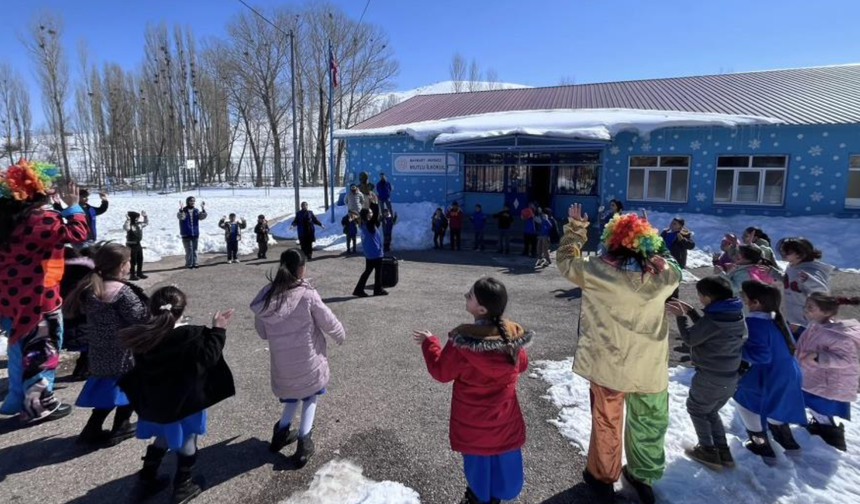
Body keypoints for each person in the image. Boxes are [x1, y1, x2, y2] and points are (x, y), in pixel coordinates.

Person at [556, 205, 681, 504]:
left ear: (611, 239)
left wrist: (576, 228)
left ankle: (602, 476)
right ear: (646, 241)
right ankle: (642, 476)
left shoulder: (597, 270)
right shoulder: (663, 275)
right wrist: (655, 238)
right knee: (649, 422)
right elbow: (674, 263)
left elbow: (565, 260)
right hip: (649, 367)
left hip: (607, 366)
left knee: (607, 422)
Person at [413, 277, 532, 504]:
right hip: (505, 420)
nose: (465, 297)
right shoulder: (512, 335)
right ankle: (498, 495)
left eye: (469, 296)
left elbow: (441, 372)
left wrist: (430, 343)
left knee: (478, 466)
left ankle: (478, 497)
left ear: (481, 309)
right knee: (504, 463)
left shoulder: (463, 340)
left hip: (472, 422)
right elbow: (522, 364)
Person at [119, 286, 235, 503]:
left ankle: (145, 480)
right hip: (183, 404)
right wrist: (218, 329)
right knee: (187, 440)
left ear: (151, 309)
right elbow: (209, 356)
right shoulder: (191, 334)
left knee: (163, 436)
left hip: (156, 404)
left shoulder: (144, 337)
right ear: (182, 309)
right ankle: (182, 485)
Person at [0, 160, 89, 422]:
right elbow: (78, 232)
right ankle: (38, 405)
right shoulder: (41, 219)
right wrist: (73, 205)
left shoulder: (5, 221)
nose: (51, 191)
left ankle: (16, 398)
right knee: (42, 349)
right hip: (39, 299)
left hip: (9, 298)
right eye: (46, 187)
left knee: (18, 346)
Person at [250, 250, 346, 467]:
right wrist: (340, 334)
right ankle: (304, 442)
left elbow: (263, 332)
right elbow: (328, 320)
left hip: (283, 363)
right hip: (307, 359)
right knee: (311, 396)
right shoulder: (307, 295)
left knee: (292, 396)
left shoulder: (267, 295)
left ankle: (281, 434)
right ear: (301, 269)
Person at [64, 243, 150, 447]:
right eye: (128, 261)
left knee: (110, 390)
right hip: (123, 352)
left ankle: (92, 428)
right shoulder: (122, 291)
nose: (130, 265)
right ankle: (121, 426)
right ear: (121, 266)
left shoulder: (90, 287)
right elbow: (139, 317)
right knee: (130, 388)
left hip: (100, 350)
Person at [668, 276, 746, 470]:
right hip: (730, 376)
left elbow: (690, 339)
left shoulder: (713, 320)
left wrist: (680, 316)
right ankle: (723, 451)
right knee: (710, 411)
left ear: (709, 297)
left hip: (709, 377)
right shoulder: (734, 313)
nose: (699, 299)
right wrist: (693, 312)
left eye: (700, 296)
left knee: (696, 409)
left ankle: (707, 450)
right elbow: (710, 329)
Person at [733, 281, 807, 465]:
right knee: (776, 407)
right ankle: (788, 444)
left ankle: (761, 446)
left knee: (744, 402)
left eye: (746, 299)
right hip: (788, 373)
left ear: (756, 303)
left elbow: (761, 356)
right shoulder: (777, 320)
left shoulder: (753, 322)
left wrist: (736, 348)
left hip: (769, 375)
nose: (744, 302)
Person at [795, 292, 860, 451]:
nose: (806, 310)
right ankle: (821, 426)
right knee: (812, 404)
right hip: (814, 376)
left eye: (811, 307)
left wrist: (819, 357)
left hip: (826, 382)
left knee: (820, 406)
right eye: (806, 306)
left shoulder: (836, 335)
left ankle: (833, 438)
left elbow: (848, 360)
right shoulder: (815, 325)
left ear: (826, 312)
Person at [778, 237, 833, 334]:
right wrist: (772, 273)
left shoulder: (811, 270)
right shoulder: (792, 266)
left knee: (806, 347)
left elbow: (822, 292)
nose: (785, 255)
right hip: (792, 318)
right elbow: (789, 282)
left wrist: (809, 280)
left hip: (806, 323)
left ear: (800, 254)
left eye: (788, 252)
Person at [61, 246, 95, 381]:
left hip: (70, 321)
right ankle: (84, 370)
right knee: (88, 348)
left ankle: (82, 369)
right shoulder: (85, 281)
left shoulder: (64, 277)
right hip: (83, 323)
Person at [353, 194, 388, 297]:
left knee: (368, 271)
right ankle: (377, 290)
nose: (372, 214)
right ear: (367, 215)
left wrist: (372, 204)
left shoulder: (363, 224)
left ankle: (359, 289)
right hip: (375, 253)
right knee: (377, 272)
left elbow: (375, 219)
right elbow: (375, 215)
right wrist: (374, 203)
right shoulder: (369, 225)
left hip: (369, 253)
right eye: (370, 213)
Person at [177, 197, 207, 269]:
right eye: (191, 201)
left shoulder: (196, 210)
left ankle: (195, 262)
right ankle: (189, 263)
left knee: (195, 249)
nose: (192, 202)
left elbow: (202, 217)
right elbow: (181, 217)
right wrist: (181, 210)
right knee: (189, 249)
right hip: (186, 233)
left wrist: (203, 209)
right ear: (188, 201)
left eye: (193, 201)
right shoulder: (184, 210)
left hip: (195, 233)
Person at [124, 210, 149, 281]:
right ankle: (132, 275)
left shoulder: (139, 224)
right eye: (136, 218)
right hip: (131, 244)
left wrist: (145, 216)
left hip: (138, 244)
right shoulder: (129, 225)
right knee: (132, 260)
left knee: (140, 259)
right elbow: (126, 228)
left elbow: (146, 223)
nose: (138, 219)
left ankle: (139, 273)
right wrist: (128, 220)